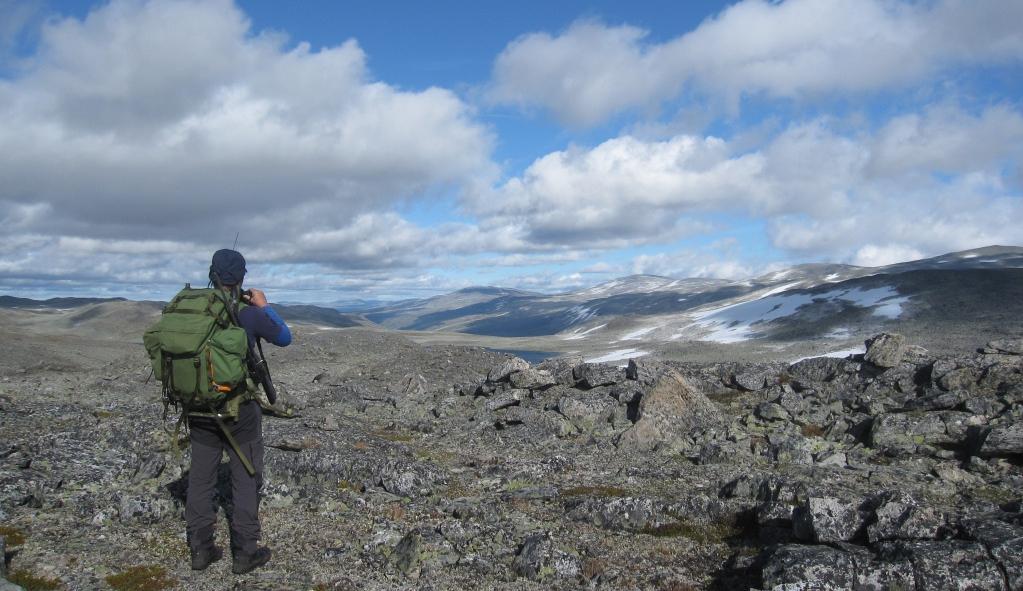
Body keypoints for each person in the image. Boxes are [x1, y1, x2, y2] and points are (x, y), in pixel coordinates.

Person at [185, 249, 292, 574]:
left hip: (198, 405)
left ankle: (200, 550)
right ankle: (245, 552)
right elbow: (284, 337)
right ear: (241, 279)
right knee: (246, 473)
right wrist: (264, 306)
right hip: (239, 409)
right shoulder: (247, 312)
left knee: (201, 475)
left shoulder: (193, 310)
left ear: (211, 274)